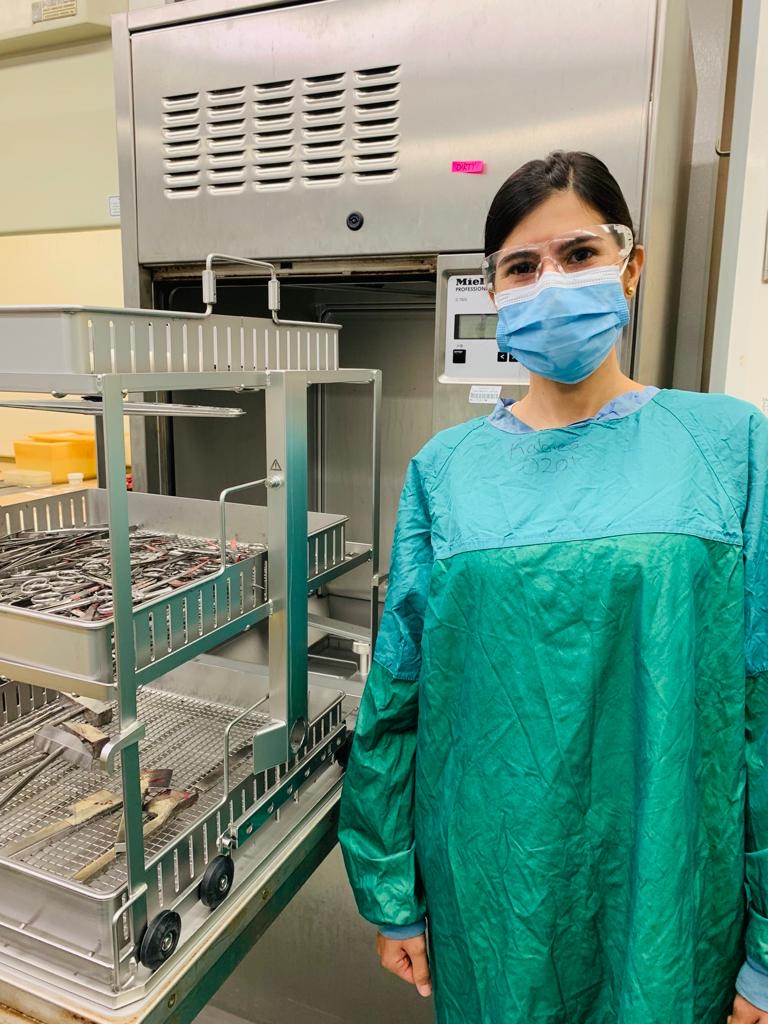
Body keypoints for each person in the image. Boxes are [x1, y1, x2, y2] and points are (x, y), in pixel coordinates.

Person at [337, 150, 768, 1024]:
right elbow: (397, 696)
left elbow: (760, 695)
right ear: (495, 292)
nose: (552, 284)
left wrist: (764, 948)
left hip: (668, 892)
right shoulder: (445, 471)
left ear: (630, 267)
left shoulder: (728, 446)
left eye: (579, 255)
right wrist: (391, 893)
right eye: (522, 267)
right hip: (494, 892)